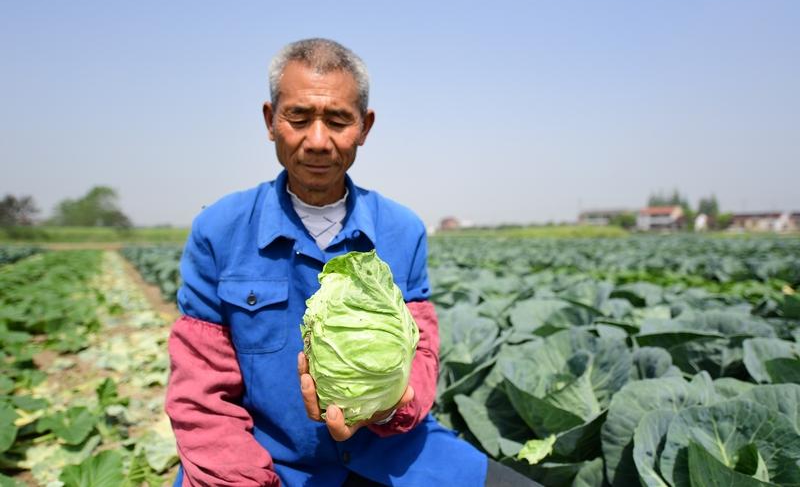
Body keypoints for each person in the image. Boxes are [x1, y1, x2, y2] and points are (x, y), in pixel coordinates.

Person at [165, 38, 539, 487]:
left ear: (364, 126)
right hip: (270, 462)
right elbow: (201, 395)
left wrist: (390, 405)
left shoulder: (402, 230)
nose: (318, 141)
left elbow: (420, 352)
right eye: (298, 118)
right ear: (270, 121)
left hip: (395, 455)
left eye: (339, 121)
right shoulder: (220, 230)